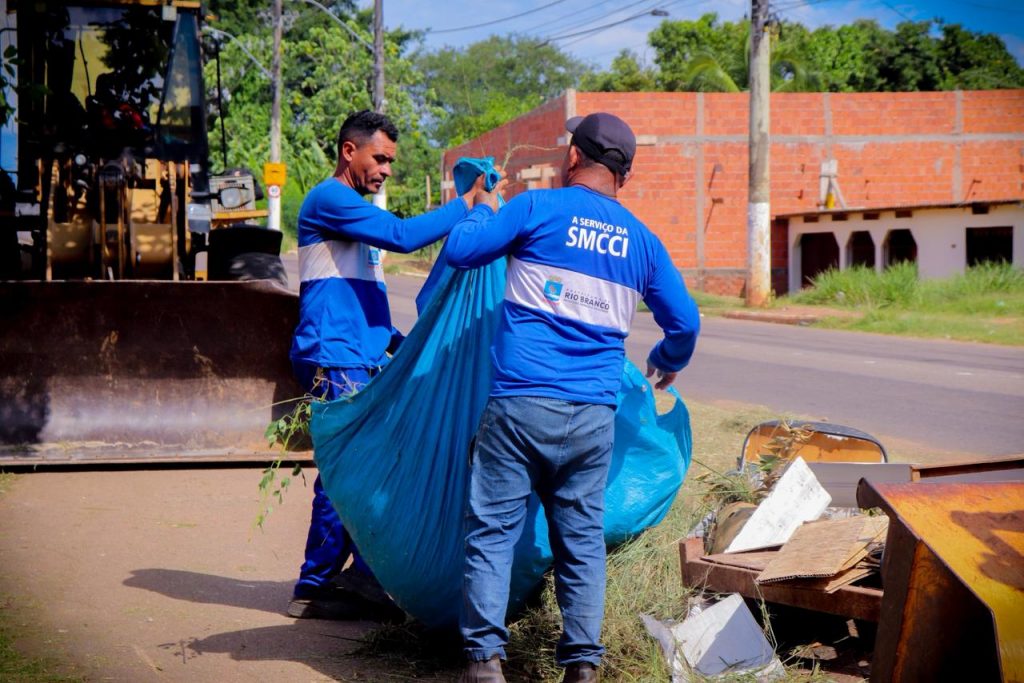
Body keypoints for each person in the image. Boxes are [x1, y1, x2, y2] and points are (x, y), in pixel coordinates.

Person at [445, 112, 700, 682]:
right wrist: (667, 360)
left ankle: (485, 663)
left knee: (492, 533)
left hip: (520, 406)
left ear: (573, 156)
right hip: (591, 418)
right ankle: (582, 667)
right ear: (625, 175)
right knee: (581, 545)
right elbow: (685, 322)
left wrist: (482, 205)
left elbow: (462, 250)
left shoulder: (536, 208)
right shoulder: (642, 241)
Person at [287, 109, 499, 621]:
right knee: (348, 471)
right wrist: (468, 203)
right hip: (335, 357)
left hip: (358, 355)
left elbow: (364, 302)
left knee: (369, 468)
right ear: (349, 151)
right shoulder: (330, 199)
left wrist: (403, 342)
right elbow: (404, 235)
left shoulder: (355, 215)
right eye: (379, 158)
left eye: (390, 162)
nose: (385, 170)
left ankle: (362, 577)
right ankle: (316, 585)